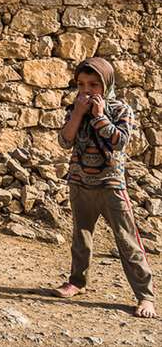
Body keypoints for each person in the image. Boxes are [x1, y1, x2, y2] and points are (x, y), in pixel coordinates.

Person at [51, 57, 155, 318]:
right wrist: (77, 114)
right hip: (79, 183)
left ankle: (145, 296)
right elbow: (65, 141)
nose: (87, 90)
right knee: (81, 236)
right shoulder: (76, 108)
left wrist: (98, 117)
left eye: (94, 85)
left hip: (110, 186)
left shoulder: (120, 110)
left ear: (106, 84)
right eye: (82, 84)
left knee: (127, 240)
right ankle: (77, 281)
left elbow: (120, 141)